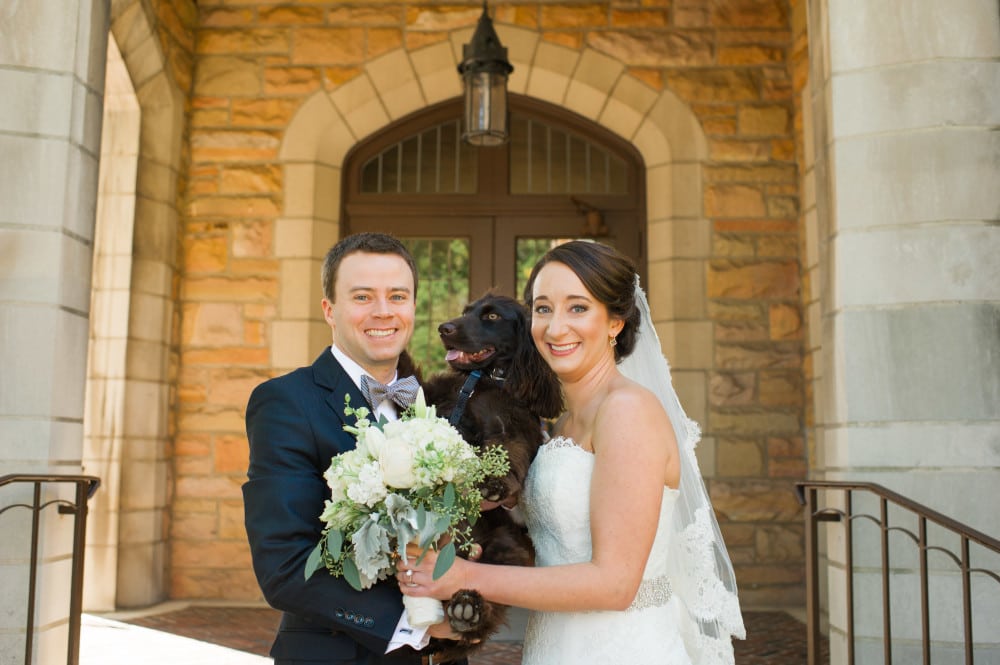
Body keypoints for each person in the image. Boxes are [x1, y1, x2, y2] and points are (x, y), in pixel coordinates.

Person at [397, 240, 746, 665]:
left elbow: (615, 585)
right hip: (555, 645)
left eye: (577, 308)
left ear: (615, 321)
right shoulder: (562, 422)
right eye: (543, 309)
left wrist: (463, 575)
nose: (555, 327)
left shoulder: (627, 411)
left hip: (620, 650)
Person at [243, 232, 466, 665]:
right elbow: (283, 565)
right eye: (363, 297)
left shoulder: (432, 405)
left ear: (413, 306)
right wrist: (417, 625)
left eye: (397, 296)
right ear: (330, 310)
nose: (383, 311)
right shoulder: (286, 402)